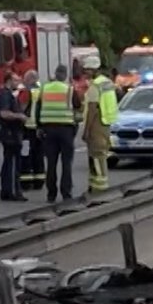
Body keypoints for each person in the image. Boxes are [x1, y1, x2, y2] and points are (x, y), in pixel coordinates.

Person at [33, 63, 79, 202]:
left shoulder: (45, 88)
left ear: (55, 73)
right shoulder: (69, 90)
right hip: (66, 130)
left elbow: (38, 109)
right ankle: (66, 192)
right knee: (66, 163)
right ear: (64, 75)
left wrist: (38, 127)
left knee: (51, 163)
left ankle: (51, 193)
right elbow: (77, 107)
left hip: (48, 129)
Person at [81, 53, 118, 192]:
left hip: (97, 123)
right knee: (100, 155)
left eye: (87, 70)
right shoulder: (107, 82)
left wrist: (86, 130)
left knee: (96, 156)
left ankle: (99, 188)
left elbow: (92, 110)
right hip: (106, 122)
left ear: (93, 69)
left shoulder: (95, 86)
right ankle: (96, 186)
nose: (85, 73)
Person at [0, 70, 29, 202]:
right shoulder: (5, 96)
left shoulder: (7, 95)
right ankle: (13, 191)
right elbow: (4, 113)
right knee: (13, 162)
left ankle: (6, 190)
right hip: (10, 133)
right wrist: (20, 116)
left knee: (9, 162)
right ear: (9, 81)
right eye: (15, 80)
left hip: (11, 133)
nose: (17, 83)